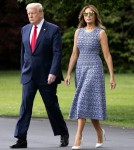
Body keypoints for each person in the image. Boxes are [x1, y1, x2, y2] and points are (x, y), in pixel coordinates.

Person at [10, 3, 69, 149]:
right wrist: (24, 69)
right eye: (28, 13)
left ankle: (63, 133)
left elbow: (57, 53)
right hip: (29, 75)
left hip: (47, 76)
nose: (30, 16)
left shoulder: (53, 29)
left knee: (51, 106)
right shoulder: (25, 29)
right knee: (25, 106)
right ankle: (21, 139)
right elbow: (24, 53)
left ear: (41, 13)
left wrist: (53, 72)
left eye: (33, 13)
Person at [65, 5, 116, 149]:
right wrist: (68, 73)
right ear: (82, 16)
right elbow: (74, 54)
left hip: (94, 68)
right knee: (90, 104)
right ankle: (100, 132)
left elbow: (107, 55)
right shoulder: (78, 32)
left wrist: (112, 76)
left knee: (82, 100)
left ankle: (78, 137)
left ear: (95, 16)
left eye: (91, 14)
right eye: (86, 14)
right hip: (81, 69)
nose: (88, 16)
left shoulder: (101, 33)